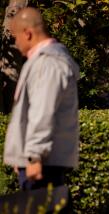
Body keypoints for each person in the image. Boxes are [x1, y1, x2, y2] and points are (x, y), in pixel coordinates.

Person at [3, 7, 80, 191]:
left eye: (16, 36)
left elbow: (42, 112)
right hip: (43, 160)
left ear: (28, 34)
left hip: (44, 163)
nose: (15, 42)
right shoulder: (45, 61)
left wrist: (33, 156)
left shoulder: (48, 63)